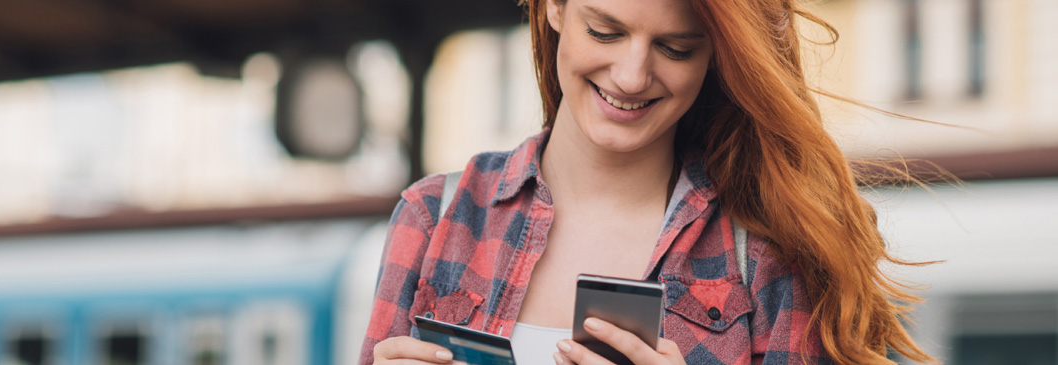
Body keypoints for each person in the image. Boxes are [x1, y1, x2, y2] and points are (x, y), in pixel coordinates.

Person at [360, 0, 936, 364]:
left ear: (715, 57)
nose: (633, 76)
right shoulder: (434, 215)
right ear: (553, 8)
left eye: (675, 48)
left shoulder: (765, 249)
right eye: (606, 32)